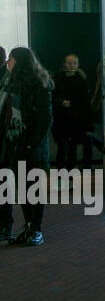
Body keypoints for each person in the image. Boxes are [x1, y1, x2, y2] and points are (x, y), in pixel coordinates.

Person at [0, 48, 54, 245]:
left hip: (32, 146)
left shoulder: (39, 83)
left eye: (12, 58)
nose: (9, 62)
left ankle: (36, 230)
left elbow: (45, 118)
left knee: (34, 189)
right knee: (23, 189)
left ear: (20, 60)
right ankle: (29, 227)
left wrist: (32, 144)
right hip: (15, 143)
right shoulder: (10, 82)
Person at [53, 53, 95, 168]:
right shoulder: (57, 80)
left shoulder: (81, 82)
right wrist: (61, 103)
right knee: (63, 148)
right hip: (61, 119)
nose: (71, 66)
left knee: (71, 148)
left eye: (74, 63)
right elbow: (53, 98)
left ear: (78, 65)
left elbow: (85, 104)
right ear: (64, 64)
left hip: (75, 119)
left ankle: (68, 173)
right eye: (69, 63)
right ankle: (62, 173)